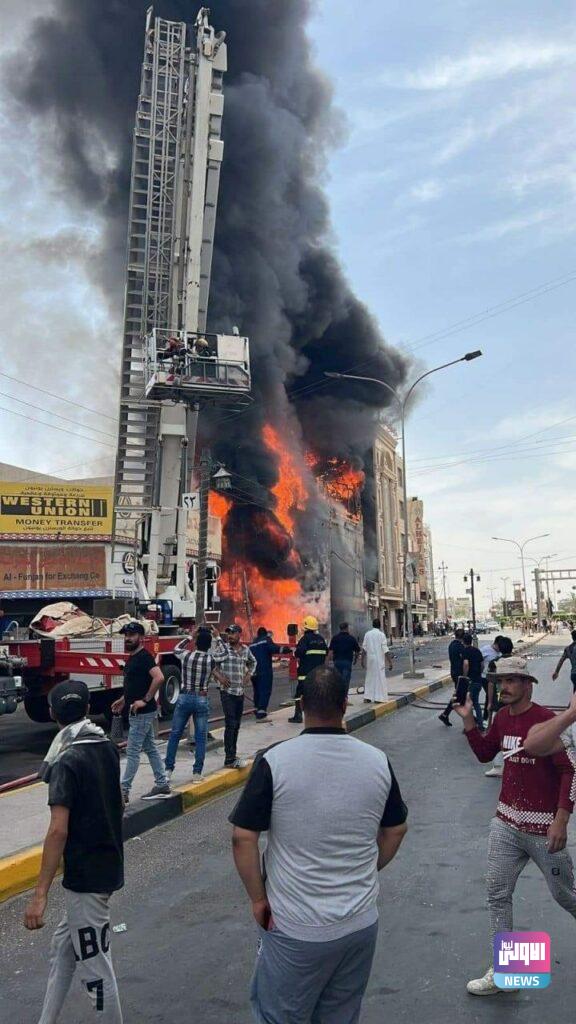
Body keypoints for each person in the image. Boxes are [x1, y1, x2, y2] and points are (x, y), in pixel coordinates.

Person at [230, 666, 408, 1024]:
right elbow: (396, 830)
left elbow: (243, 838)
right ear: (345, 705)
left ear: (301, 704)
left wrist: (258, 900)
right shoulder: (377, 761)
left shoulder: (275, 761)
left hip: (296, 927)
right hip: (360, 924)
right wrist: (365, 869)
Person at [453, 656, 576, 996]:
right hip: (506, 824)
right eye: (499, 682)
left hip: (543, 830)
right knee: (497, 894)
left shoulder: (546, 721)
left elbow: (570, 771)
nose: (503, 688)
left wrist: (561, 820)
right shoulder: (502, 718)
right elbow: (484, 753)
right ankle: (505, 972)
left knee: (566, 896)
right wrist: (468, 721)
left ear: (527, 685)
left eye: (510, 681)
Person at [25, 680, 124, 1023]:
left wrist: (40, 895)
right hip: (107, 864)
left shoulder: (66, 760)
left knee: (96, 971)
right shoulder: (105, 745)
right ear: (87, 709)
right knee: (62, 949)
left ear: (52, 714)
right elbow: (118, 801)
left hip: (86, 877)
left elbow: (58, 830)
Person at [111, 622, 170, 804]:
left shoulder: (144, 657)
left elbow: (159, 677)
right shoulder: (133, 657)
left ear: (141, 637)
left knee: (132, 751)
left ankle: (123, 791)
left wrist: (144, 700)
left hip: (142, 712)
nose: (128, 638)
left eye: (132, 635)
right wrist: (124, 699)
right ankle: (162, 783)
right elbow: (136, 683)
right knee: (150, 748)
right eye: (126, 635)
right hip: (139, 710)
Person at [164, 626, 227, 782]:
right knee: (200, 737)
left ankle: (168, 770)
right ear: (209, 645)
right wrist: (218, 637)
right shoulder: (211, 659)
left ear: (196, 644)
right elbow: (225, 653)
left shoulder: (187, 655)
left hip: (185, 697)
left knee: (175, 734)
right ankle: (197, 772)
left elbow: (176, 649)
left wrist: (190, 636)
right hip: (201, 698)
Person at [217, 624, 257, 767]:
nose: (230, 636)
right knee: (231, 724)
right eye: (228, 633)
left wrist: (249, 675)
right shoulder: (223, 650)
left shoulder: (245, 650)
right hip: (227, 692)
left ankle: (233, 754)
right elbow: (211, 664)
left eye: (233, 633)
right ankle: (229, 757)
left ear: (240, 634)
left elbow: (253, 662)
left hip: (239, 692)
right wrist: (220, 677)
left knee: (236, 725)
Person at [483, 635, 514, 778]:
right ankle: (513, 763)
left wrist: (490, 703)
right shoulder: (518, 662)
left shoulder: (495, 663)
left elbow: (491, 683)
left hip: (499, 702)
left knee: (497, 734)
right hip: (516, 703)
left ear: (499, 648)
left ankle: (498, 766)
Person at [288, 615, 328, 724]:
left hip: (305, 673)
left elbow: (299, 652)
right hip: (319, 672)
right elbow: (326, 653)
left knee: (300, 694)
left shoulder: (305, 639)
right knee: (317, 693)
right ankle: (320, 715)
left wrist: (294, 652)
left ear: (305, 627)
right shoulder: (321, 639)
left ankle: (298, 716)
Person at [249, 627, 290, 721]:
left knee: (257, 691)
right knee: (265, 690)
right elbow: (274, 648)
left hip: (253, 671)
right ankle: (261, 714)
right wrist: (285, 649)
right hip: (264, 670)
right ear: (265, 634)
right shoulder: (266, 640)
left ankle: (257, 709)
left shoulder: (252, 644)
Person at [361, 618, 393, 704]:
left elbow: (364, 648)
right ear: (380, 625)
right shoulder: (381, 635)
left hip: (370, 660)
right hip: (379, 660)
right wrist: (390, 662)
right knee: (380, 678)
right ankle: (378, 698)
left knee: (369, 678)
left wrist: (362, 660)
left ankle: (367, 697)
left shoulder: (367, 634)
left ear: (372, 625)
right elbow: (385, 649)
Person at [439, 627, 466, 726]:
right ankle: (471, 720)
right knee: (460, 696)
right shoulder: (460, 647)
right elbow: (464, 661)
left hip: (454, 672)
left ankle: (445, 714)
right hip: (460, 674)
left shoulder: (451, 645)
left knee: (460, 695)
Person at [327, 622, 361, 692]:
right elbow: (357, 650)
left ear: (340, 629)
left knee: (337, 679)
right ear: (347, 628)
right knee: (345, 680)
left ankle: (338, 696)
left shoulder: (335, 638)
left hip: (337, 662)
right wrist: (355, 659)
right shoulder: (351, 638)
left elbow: (330, 651)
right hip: (347, 662)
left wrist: (328, 662)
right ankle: (345, 697)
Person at [461, 632, 484, 730]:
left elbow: (466, 664)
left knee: (468, 704)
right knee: (476, 703)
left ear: (463, 641)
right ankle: (480, 724)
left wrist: (465, 676)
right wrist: (478, 673)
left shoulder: (465, 651)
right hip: (478, 680)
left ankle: (469, 726)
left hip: (470, 681)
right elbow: (482, 665)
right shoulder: (477, 651)